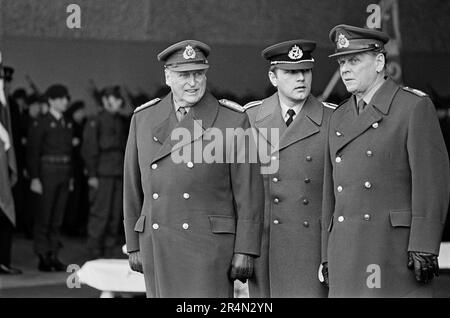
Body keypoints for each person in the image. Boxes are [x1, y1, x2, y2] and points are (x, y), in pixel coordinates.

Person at [123, 40, 264, 297]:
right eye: (183, 75)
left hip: (208, 247)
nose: (193, 82)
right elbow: (132, 187)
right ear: (167, 76)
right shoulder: (143, 119)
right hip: (158, 243)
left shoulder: (232, 120)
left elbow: (249, 192)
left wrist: (246, 249)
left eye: (198, 74)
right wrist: (133, 244)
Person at [321, 24, 450, 297]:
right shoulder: (338, 116)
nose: (345, 69)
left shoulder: (412, 107)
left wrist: (425, 244)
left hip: (390, 250)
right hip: (345, 251)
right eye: (342, 62)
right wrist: (326, 254)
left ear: (379, 62)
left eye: (354, 60)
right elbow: (329, 195)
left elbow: (431, 182)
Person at [245, 40, 335, 297]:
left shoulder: (332, 119)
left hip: (310, 247)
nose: (301, 78)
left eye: (305, 71)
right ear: (273, 77)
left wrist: (331, 253)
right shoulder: (250, 118)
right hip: (265, 246)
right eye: (291, 72)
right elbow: (237, 189)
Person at [27, 84, 75, 272]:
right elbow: (33, 152)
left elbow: (71, 153)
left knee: (57, 217)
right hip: (47, 172)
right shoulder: (42, 123)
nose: (65, 101)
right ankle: (42, 255)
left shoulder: (67, 122)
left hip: (63, 171)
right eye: (62, 98)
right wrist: (34, 178)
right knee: (44, 216)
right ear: (51, 100)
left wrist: (70, 177)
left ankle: (53, 254)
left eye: (66, 98)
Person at [82, 87, 128, 258]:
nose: (118, 103)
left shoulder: (119, 121)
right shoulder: (96, 120)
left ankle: (109, 247)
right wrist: (92, 174)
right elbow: (90, 149)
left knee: (114, 213)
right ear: (106, 101)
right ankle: (95, 249)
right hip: (102, 173)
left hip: (117, 172)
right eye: (114, 99)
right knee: (100, 213)